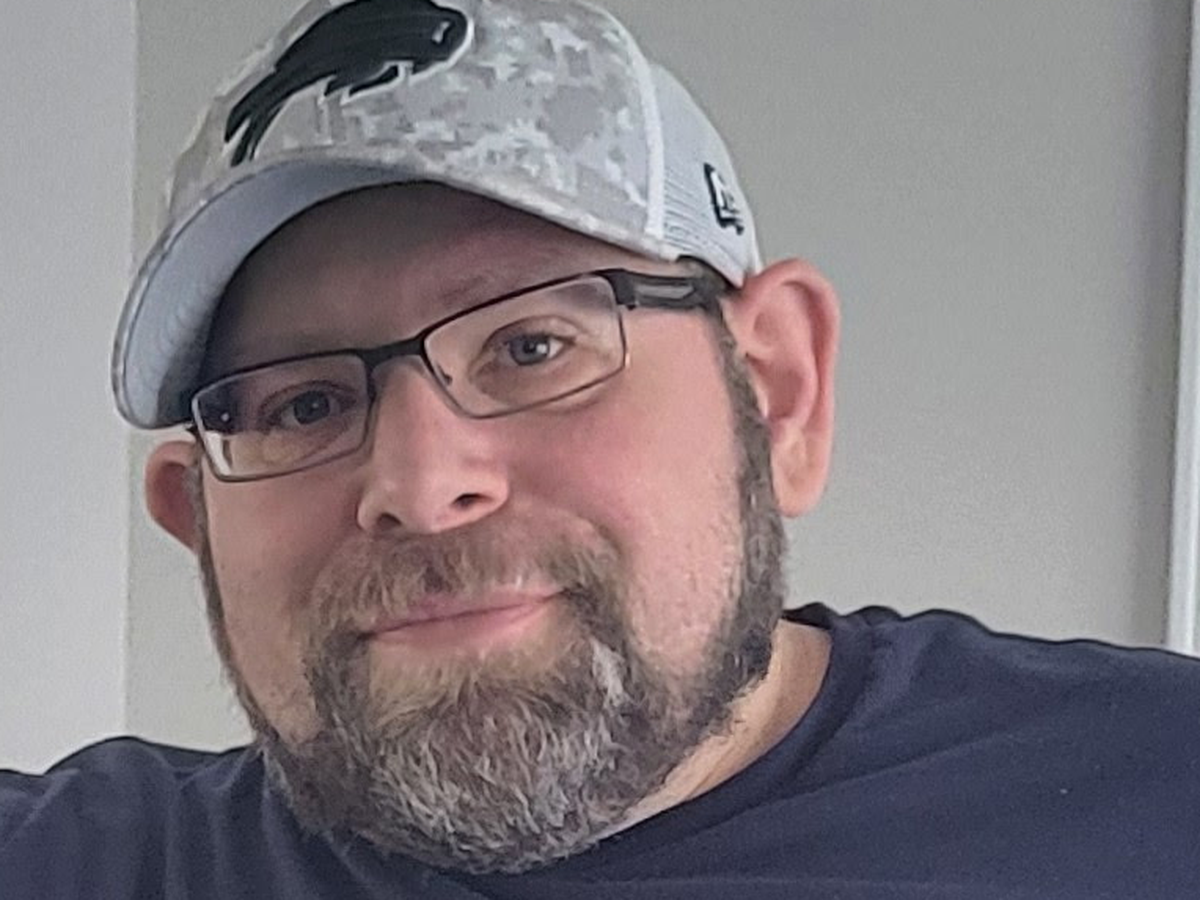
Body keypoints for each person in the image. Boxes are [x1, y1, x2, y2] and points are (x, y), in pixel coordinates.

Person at [3, 0, 1199, 895]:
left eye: (531, 346)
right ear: (195, 520)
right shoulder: (98, 864)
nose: (421, 485)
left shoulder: (1156, 793)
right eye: (302, 407)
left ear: (777, 392)